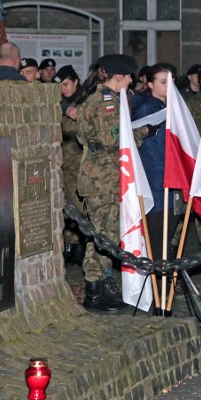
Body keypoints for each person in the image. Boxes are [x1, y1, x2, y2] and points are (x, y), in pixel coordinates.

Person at [76, 54, 150, 312]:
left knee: (103, 235)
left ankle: (102, 287)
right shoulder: (108, 102)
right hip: (103, 179)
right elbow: (112, 137)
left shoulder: (96, 99)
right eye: (129, 75)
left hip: (99, 176)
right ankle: (94, 293)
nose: (131, 80)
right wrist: (143, 132)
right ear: (118, 75)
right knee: (103, 236)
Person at [132, 63, 180, 314]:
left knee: (167, 243)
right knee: (158, 245)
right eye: (162, 81)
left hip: (170, 187)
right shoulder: (145, 109)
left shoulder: (170, 107)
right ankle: (158, 300)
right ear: (150, 84)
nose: (167, 86)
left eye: (170, 81)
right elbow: (153, 154)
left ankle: (164, 298)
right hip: (156, 186)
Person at [56, 65, 86, 266]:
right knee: (64, 200)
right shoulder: (60, 102)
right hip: (63, 158)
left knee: (79, 201)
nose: (63, 89)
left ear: (75, 81)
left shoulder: (84, 101)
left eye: (66, 84)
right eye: (60, 85)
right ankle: (70, 244)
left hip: (78, 157)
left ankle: (81, 244)